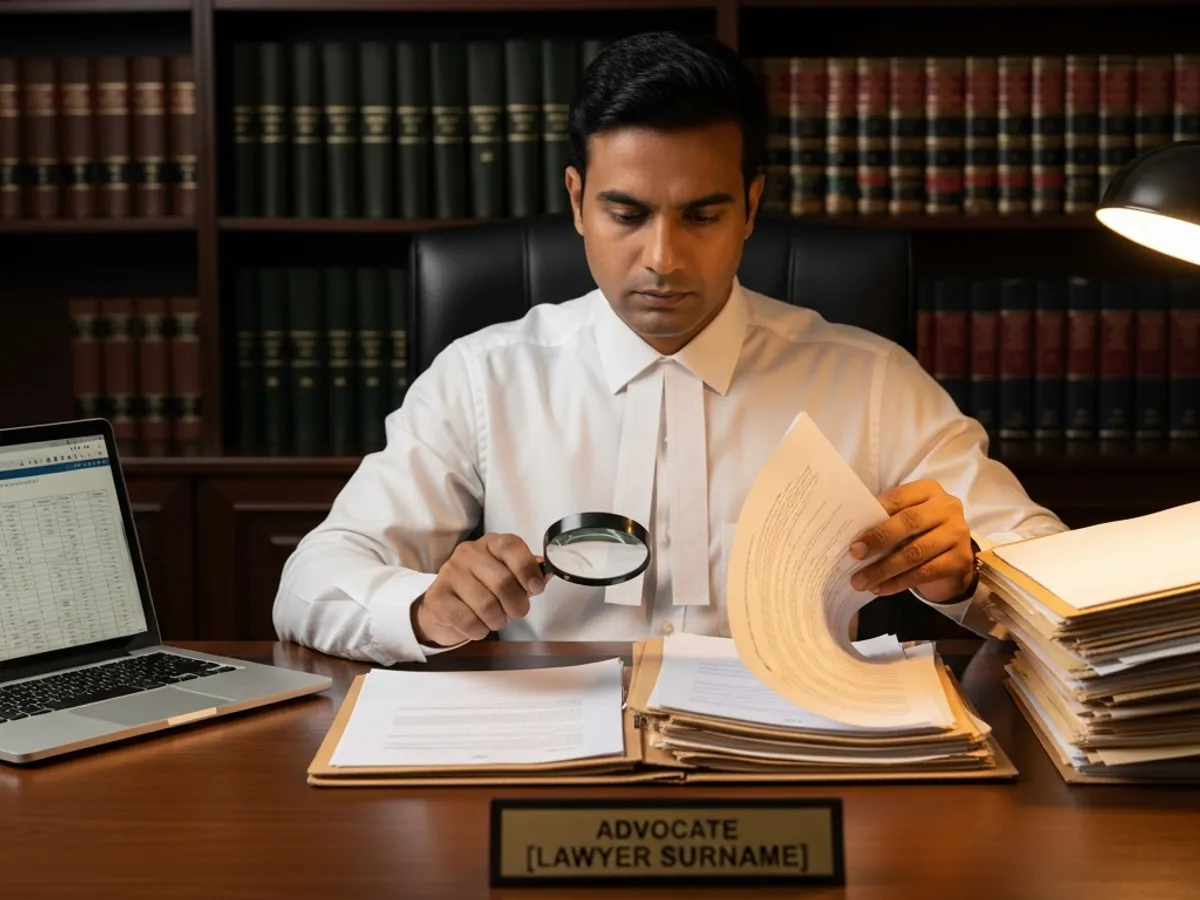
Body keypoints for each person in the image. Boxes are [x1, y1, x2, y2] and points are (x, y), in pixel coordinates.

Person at [273, 31, 1066, 665]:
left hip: (803, 757)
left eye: (701, 216)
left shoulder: (871, 381)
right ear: (578, 202)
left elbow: (1063, 583)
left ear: (751, 208)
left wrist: (966, 576)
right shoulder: (484, 377)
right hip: (542, 759)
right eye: (627, 214)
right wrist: (422, 609)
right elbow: (310, 583)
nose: (662, 258)